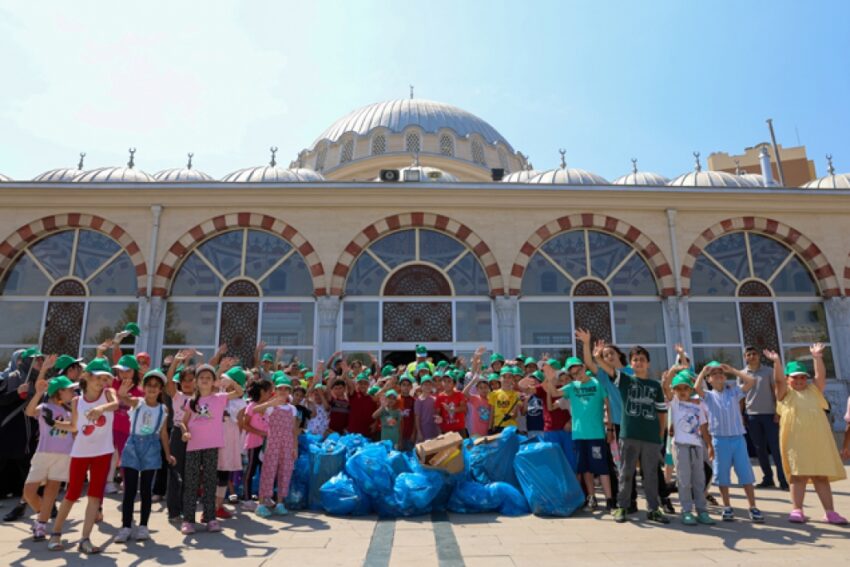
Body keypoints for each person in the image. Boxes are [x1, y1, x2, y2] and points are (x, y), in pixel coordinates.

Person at [766, 345, 847, 524]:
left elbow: (821, 377)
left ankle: (830, 512)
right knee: (798, 475)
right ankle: (797, 510)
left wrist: (817, 357)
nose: (800, 380)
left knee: (820, 476)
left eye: (803, 377)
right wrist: (777, 362)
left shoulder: (814, 391)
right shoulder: (785, 394)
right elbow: (778, 381)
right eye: (795, 378)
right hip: (796, 442)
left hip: (818, 441)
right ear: (788, 379)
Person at [49, 358, 119, 553]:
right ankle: (55, 534)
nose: (102, 382)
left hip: (103, 453)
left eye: (106, 378)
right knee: (71, 494)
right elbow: (73, 426)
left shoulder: (108, 394)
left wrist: (100, 408)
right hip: (80, 453)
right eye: (99, 377)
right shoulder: (76, 401)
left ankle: (85, 539)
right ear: (86, 377)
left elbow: (115, 404)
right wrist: (53, 423)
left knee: (95, 497)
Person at [693, 361, 763, 522]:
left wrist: (733, 370)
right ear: (709, 379)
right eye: (714, 374)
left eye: (721, 373)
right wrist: (703, 372)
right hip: (719, 440)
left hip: (738, 439)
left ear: (725, 377)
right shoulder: (709, 396)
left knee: (745, 473)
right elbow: (696, 388)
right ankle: (727, 507)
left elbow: (751, 382)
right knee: (723, 475)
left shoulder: (734, 392)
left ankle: (753, 506)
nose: (718, 375)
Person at [178, 362, 243, 535]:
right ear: (196, 382)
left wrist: (228, 380)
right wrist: (185, 433)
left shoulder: (220, 398)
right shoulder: (191, 401)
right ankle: (188, 520)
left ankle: (210, 518)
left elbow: (239, 393)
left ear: (214, 381)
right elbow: (183, 423)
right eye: (202, 378)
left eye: (209, 378)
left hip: (212, 446)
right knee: (191, 483)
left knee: (209, 482)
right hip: (193, 446)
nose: (205, 380)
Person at [544, 357, 614, 511]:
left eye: (579, 371)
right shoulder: (571, 387)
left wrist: (610, 429)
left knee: (602, 468)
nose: (577, 375)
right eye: (573, 374)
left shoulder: (598, 383)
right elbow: (554, 392)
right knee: (585, 469)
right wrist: (549, 379)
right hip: (578, 435)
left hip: (596, 434)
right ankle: (592, 497)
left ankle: (610, 500)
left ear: (583, 367)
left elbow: (609, 407)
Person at [115, 370, 176, 543]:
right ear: (144, 387)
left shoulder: (163, 409)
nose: (151, 389)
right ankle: (126, 526)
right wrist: (121, 392)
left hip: (152, 447)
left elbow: (163, 433)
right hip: (133, 445)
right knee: (130, 490)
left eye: (155, 386)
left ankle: (143, 526)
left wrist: (168, 454)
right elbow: (124, 398)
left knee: (146, 490)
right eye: (149, 385)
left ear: (160, 390)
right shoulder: (138, 403)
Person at [611, 346, 669, 524]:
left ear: (648, 363)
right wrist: (598, 357)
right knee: (626, 473)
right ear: (631, 363)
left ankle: (653, 509)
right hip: (629, 435)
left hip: (650, 438)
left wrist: (659, 436)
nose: (639, 362)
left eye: (642, 359)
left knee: (651, 474)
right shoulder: (626, 381)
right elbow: (609, 370)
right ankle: (622, 506)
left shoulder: (655, 386)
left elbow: (661, 413)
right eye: (635, 360)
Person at [22, 370, 76, 541]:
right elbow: (29, 412)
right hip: (43, 452)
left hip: (64, 455)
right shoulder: (45, 407)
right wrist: (38, 393)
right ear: (60, 391)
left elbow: (75, 431)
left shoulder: (70, 410)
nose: (73, 393)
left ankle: (41, 525)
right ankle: (42, 513)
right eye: (70, 390)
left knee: (51, 491)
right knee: (28, 492)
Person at [661, 368, 715, 526]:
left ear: (691, 389)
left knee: (699, 480)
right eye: (679, 388)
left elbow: (704, 427)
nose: (682, 391)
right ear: (674, 390)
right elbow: (665, 387)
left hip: (697, 447)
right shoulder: (675, 404)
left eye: (685, 388)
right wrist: (673, 370)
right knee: (684, 480)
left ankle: (702, 510)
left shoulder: (698, 405)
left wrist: (709, 445)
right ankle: (686, 511)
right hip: (681, 446)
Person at [0, 348, 44, 523]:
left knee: (27, 464)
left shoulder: (37, 379)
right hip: (7, 428)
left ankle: (37, 501)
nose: (37, 363)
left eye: (39, 360)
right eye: (34, 360)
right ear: (21, 361)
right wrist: (16, 393)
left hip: (26, 430)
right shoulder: (9, 378)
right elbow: (1, 399)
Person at [739, 345, 788, 490]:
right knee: (759, 449)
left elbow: (776, 392)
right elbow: (741, 397)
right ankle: (768, 478)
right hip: (751, 416)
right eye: (749, 354)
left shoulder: (769, 372)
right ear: (745, 357)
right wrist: (741, 415)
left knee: (775, 448)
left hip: (770, 415)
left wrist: (778, 412)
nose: (752, 356)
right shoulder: (742, 374)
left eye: (754, 353)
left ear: (759, 356)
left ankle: (783, 479)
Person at [254, 375, 299, 517]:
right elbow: (255, 410)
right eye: (280, 388)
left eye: (286, 389)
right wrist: (270, 403)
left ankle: (280, 503)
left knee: (285, 472)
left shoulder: (292, 409)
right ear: (276, 390)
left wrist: (295, 447)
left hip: (287, 443)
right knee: (269, 471)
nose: (283, 391)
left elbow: (293, 430)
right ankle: (261, 503)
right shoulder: (271, 407)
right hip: (272, 442)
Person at [164, 353, 196, 521]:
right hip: (178, 434)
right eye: (184, 380)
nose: (187, 383)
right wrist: (175, 362)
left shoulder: (200, 398)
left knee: (190, 475)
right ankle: (174, 511)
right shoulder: (177, 396)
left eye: (191, 380)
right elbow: (168, 380)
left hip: (196, 436)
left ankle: (186, 509)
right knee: (176, 473)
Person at [216, 366, 248, 519]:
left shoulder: (241, 403)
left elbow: (241, 424)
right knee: (211, 471)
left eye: (227, 379)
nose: (223, 381)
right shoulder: (218, 395)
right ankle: (211, 504)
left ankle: (218, 505)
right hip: (213, 438)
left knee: (224, 472)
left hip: (230, 440)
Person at [108, 353, 142, 495]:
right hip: (110, 427)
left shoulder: (140, 391)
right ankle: (107, 482)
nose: (123, 373)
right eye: (121, 370)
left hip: (128, 430)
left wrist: (124, 396)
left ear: (135, 371)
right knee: (108, 456)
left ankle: (127, 484)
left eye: (128, 370)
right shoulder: (113, 383)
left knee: (126, 458)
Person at [241, 378, 273, 506]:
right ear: (262, 391)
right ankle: (247, 499)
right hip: (254, 444)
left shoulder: (269, 407)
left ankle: (265, 497)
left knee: (266, 471)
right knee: (251, 471)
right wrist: (261, 433)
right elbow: (245, 424)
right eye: (269, 391)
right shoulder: (251, 406)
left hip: (267, 444)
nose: (271, 393)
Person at [488, 367, 520, 434]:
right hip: (498, 427)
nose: (506, 379)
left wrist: (510, 415)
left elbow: (515, 414)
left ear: (513, 379)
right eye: (504, 377)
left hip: (511, 427)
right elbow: (492, 413)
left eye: (509, 377)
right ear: (500, 379)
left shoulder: (516, 395)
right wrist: (489, 428)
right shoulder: (494, 394)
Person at [435, 370, 467, 435]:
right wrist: (438, 417)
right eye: (444, 381)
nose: (446, 384)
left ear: (454, 384)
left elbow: (464, 408)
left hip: (460, 430)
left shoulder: (459, 394)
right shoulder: (439, 397)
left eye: (449, 381)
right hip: (446, 431)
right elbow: (437, 413)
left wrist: (451, 410)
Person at [414, 375, 439, 442]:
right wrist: (419, 432)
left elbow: (437, 414)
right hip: (424, 431)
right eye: (425, 384)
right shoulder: (419, 401)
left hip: (434, 430)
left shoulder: (434, 399)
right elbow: (417, 417)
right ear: (421, 386)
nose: (428, 386)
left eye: (429, 384)